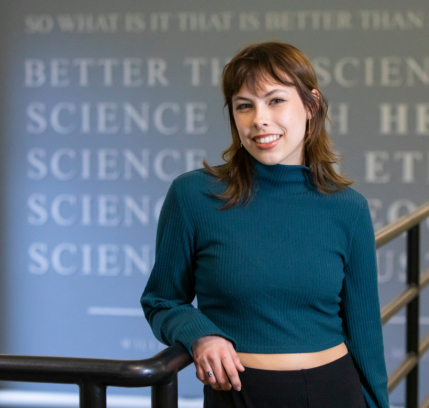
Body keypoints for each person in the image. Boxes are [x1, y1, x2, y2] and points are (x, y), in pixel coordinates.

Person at [140, 41, 389, 408]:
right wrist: (200, 335)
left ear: (311, 106)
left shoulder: (348, 208)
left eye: (275, 100)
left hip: (336, 391)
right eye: (244, 106)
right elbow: (161, 300)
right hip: (242, 396)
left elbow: (365, 333)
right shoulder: (193, 196)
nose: (259, 119)